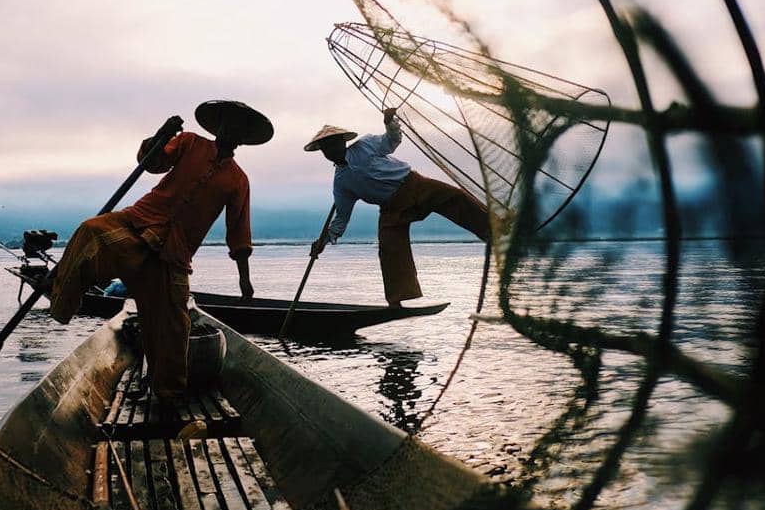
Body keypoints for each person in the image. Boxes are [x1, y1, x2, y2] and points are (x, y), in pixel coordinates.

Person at [49, 99, 272, 406]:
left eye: (237, 126)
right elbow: (152, 162)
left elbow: (239, 231)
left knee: (173, 329)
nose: (229, 129)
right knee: (91, 232)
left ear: (243, 137)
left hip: (173, 253)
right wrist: (161, 135)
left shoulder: (238, 180)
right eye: (226, 122)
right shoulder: (190, 142)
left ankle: (168, 396)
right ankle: (62, 305)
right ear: (218, 126)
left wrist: (244, 279)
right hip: (138, 223)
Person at [305, 108, 490, 307]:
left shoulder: (365, 145)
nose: (331, 151)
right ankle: (396, 301)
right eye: (326, 148)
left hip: (414, 185)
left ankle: (494, 231)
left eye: (333, 144)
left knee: (456, 198)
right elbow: (341, 218)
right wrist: (323, 240)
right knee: (389, 249)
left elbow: (391, 141)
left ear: (343, 142)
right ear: (323, 152)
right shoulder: (341, 183)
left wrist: (389, 122)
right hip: (391, 207)